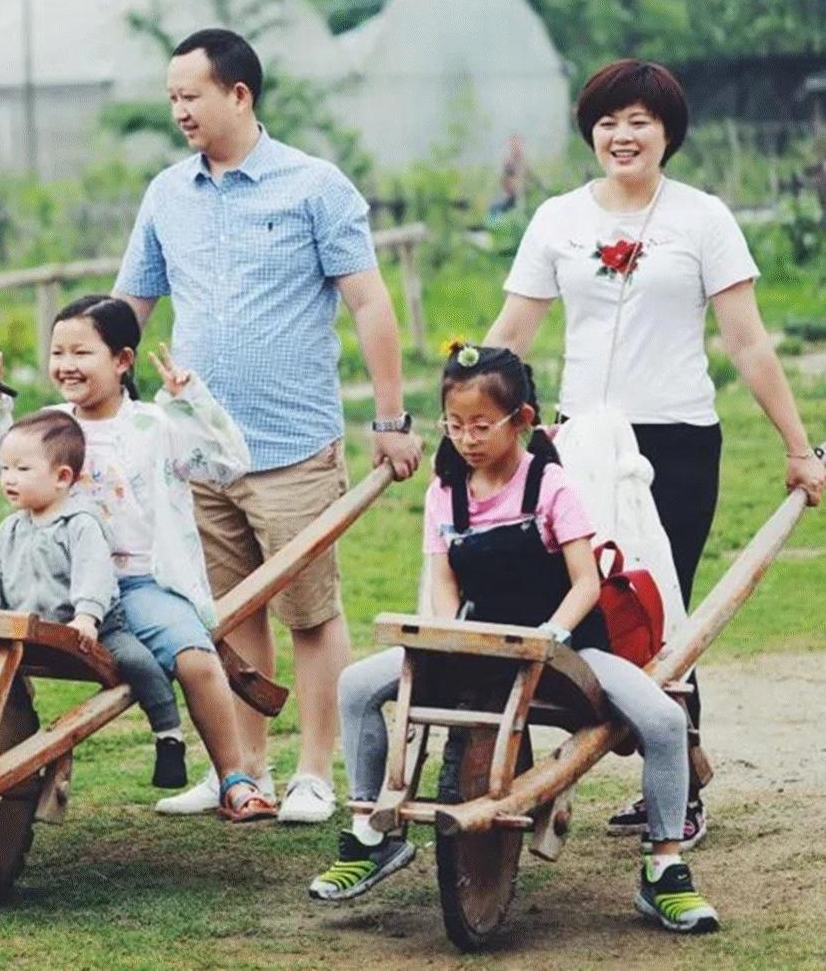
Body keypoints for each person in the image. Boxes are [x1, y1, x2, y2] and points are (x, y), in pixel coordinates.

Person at [484, 58, 825, 844]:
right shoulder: (558, 218)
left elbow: (745, 340)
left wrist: (799, 447)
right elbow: (514, 330)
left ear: (668, 131)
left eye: (639, 120)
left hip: (675, 441)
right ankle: (548, 777)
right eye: (607, 120)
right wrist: (467, 407)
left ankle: (674, 791)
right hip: (575, 441)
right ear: (590, 133)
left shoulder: (702, 217)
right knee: (571, 601)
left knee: (661, 610)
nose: (622, 134)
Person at [113, 28, 420, 822]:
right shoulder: (167, 194)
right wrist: (87, 382)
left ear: (239, 95)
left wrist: (391, 416)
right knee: (228, 610)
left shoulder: (314, 186)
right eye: (172, 96)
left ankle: (316, 772)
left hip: (292, 447)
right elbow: (132, 309)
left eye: (192, 95)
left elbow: (369, 302)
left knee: (310, 611)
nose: (179, 109)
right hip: (198, 451)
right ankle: (243, 769)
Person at [309, 343, 720, 935]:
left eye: (481, 425)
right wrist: (446, 638)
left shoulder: (550, 486)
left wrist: (552, 633)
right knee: (356, 684)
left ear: (521, 421)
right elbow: (444, 580)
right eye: (454, 426)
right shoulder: (445, 494)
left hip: (568, 649)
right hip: (480, 646)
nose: (467, 439)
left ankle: (665, 869)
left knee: (662, 721)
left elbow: (585, 582)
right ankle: (373, 830)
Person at [0, 296, 276, 821]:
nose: (66, 364)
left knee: (196, 660)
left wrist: (191, 401)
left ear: (122, 361)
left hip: (137, 584)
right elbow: (8, 464)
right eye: (58, 351)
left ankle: (235, 778)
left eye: (81, 352)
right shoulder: (51, 426)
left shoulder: (155, 426)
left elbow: (231, 463)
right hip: (60, 587)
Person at [0, 409, 187, 788]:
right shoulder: (10, 528)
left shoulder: (82, 524)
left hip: (88, 629)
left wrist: (88, 618)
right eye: (5, 469)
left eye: (22, 470)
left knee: (138, 661)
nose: (8, 478)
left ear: (62, 478)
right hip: (26, 627)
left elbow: (94, 577)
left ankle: (168, 735)